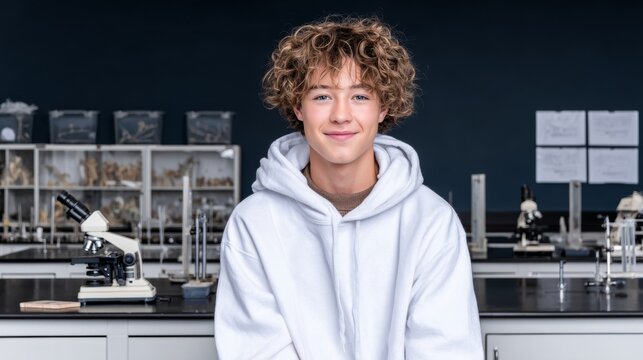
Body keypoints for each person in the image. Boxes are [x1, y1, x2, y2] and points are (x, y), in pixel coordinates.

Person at [215, 16, 483, 359]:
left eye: (359, 96)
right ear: (298, 107)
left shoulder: (431, 222)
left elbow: (445, 350)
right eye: (322, 95)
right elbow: (256, 351)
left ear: (383, 106)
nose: (341, 115)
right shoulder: (253, 222)